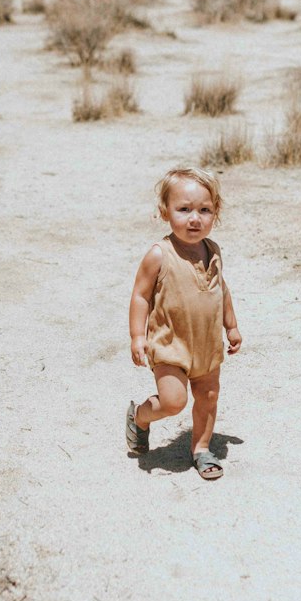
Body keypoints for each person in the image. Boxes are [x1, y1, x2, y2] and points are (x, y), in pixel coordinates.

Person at [125, 166, 242, 480]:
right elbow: (140, 296)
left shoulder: (213, 250)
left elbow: (222, 290)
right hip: (169, 345)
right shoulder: (159, 254)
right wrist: (138, 335)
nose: (195, 218)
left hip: (206, 345)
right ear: (165, 212)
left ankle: (201, 450)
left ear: (215, 213)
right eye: (185, 209)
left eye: (204, 210)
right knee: (173, 401)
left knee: (208, 397)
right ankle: (140, 417)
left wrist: (231, 325)